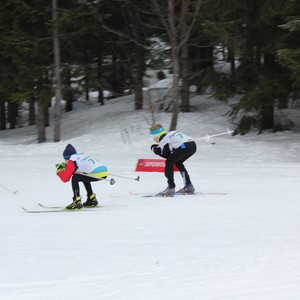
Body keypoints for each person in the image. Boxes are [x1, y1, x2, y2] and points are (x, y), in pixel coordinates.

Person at [56, 144, 108, 209]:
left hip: (97, 172)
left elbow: (65, 179)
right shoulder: (79, 155)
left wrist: (59, 171)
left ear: (67, 157)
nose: (65, 162)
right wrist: (67, 167)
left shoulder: (72, 160)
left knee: (75, 178)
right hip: (104, 170)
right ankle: (91, 198)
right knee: (82, 175)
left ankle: (76, 201)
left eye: (65, 159)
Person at [150, 124, 197, 196]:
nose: (153, 139)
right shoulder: (170, 134)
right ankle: (188, 186)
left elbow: (166, 155)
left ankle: (171, 187)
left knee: (169, 163)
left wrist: (157, 152)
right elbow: (170, 153)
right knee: (178, 162)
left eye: (152, 137)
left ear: (156, 135)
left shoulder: (163, 138)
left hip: (184, 146)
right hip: (192, 145)